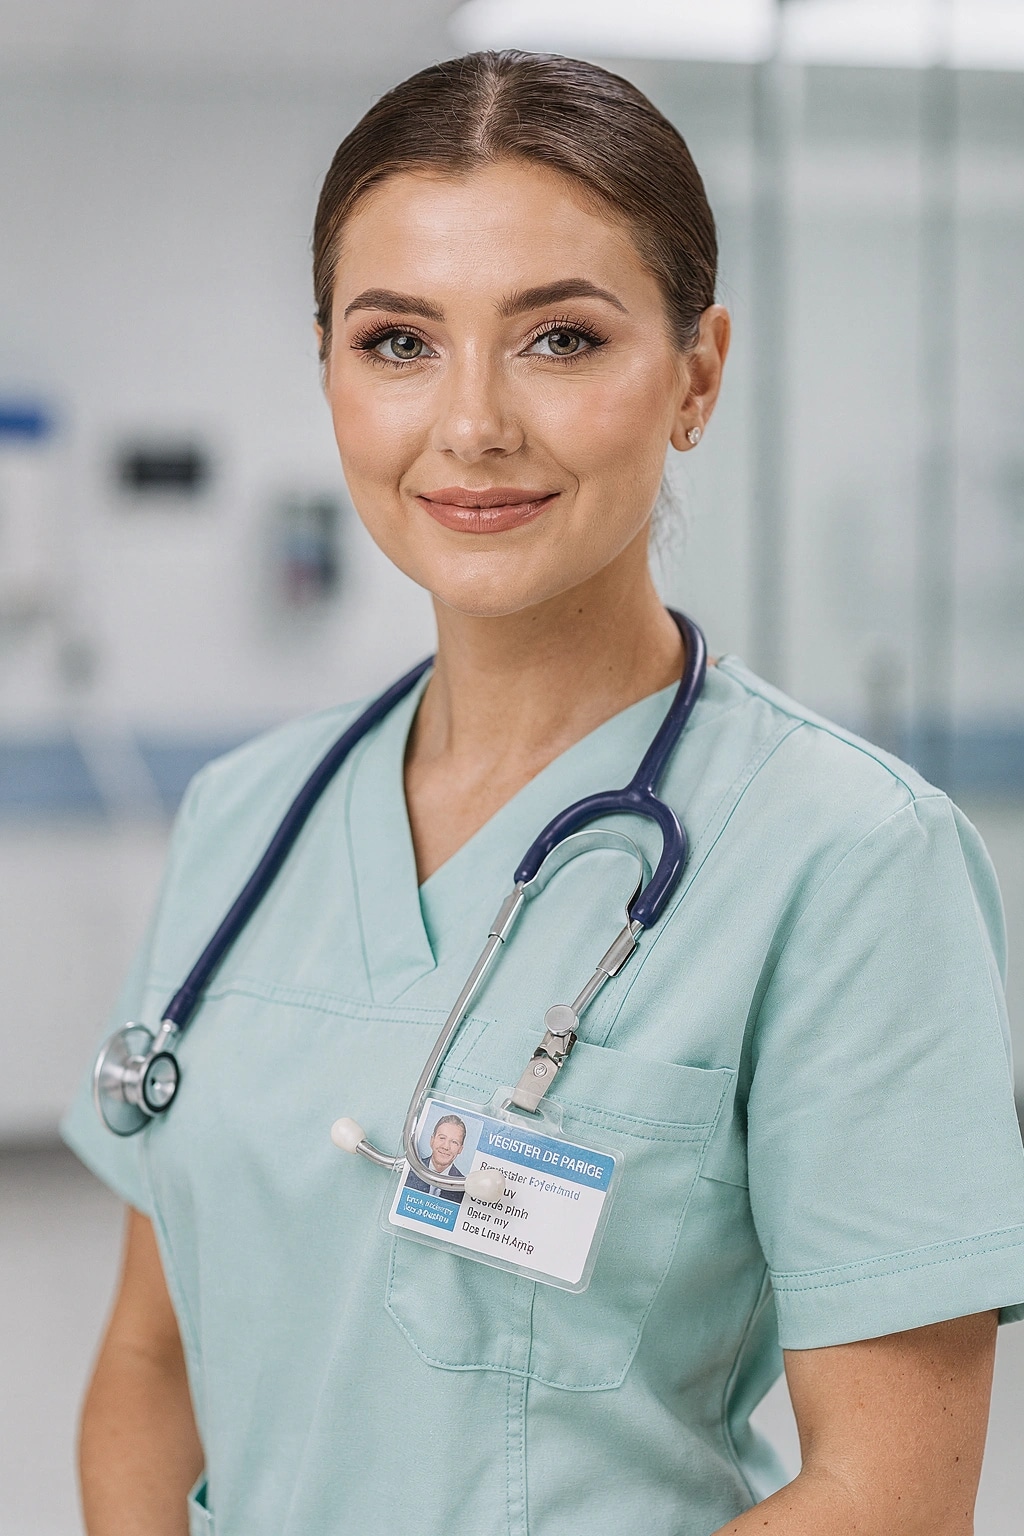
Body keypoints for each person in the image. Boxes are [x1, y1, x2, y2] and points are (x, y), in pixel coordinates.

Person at [63, 49, 1024, 1536]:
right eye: (398, 342)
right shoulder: (246, 820)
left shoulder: (847, 862)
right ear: (327, 369)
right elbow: (148, 1360)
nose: (472, 424)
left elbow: (887, 1497)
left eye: (560, 339)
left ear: (697, 374)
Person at [404, 1113, 468, 1202]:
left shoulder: (463, 1188)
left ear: (460, 1149)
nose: (446, 1147)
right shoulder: (410, 1171)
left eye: (454, 1142)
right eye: (442, 1138)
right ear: (432, 1140)